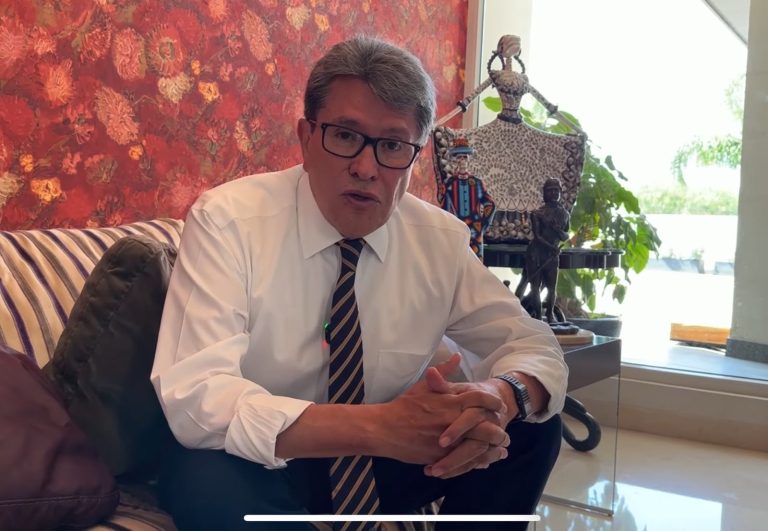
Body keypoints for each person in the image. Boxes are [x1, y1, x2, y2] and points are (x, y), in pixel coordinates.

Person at [151, 36, 567, 531]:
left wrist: (499, 397)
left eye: (392, 146)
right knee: (204, 479)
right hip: (269, 458)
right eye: (345, 136)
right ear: (306, 138)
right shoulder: (228, 222)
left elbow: (532, 343)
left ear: (414, 157)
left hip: (387, 460)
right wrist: (376, 427)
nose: (366, 168)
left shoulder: (439, 241)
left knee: (530, 429)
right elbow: (197, 394)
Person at [515, 178, 571, 322]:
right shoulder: (537, 213)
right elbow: (538, 236)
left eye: (556, 190)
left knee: (552, 288)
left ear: (560, 192)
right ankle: (538, 316)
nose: (553, 193)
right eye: (550, 191)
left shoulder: (565, 214)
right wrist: (552, 247)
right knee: (535, 287)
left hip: (552, 256)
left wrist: (557, 230)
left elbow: (565, 236)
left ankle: (550, 315)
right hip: (536, 254)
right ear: (544, 193)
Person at [437, 138, 496, 260]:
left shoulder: (477, 182)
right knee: (454, 259)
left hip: (475, 230)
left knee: (475, 262)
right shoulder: (449, 183)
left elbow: (490, 204)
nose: (462, 160)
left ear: (469, 159)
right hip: (455, 228)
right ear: (455, 160)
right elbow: (443, 207)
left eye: (465, 157)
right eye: (459, 157)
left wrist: (483, 225)